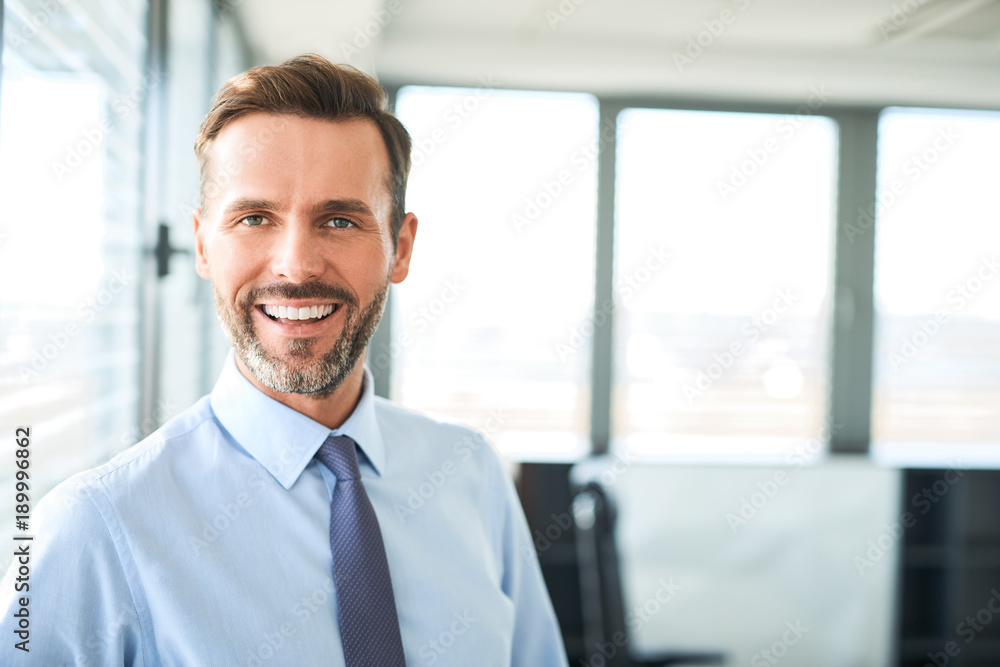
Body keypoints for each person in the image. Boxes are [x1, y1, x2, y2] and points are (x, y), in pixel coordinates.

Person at [1, 54, 568, 666]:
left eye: (340, 220)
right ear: (202, 245)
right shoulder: (96, 529)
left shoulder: (471, 475)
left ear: (400, 249)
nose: (296, 266)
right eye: (253, 218)